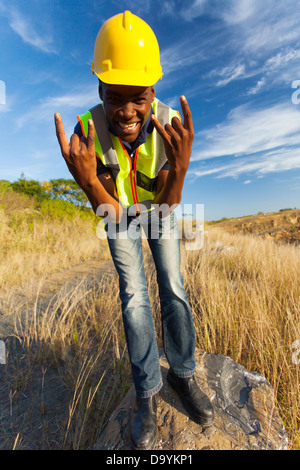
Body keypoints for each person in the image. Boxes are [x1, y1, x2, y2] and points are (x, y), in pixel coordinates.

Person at [54, 11, 214, 450]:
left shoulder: (167, 128)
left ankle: (182, 374)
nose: (127, 111)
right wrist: (88, 182)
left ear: (153, 91)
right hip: (117, 213)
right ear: (100, 90)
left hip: (159, 208)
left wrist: (179, 172)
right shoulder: (89, 132)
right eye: (115, 97)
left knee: (174, 286)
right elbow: (114, 215)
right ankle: (147, 393)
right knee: (134, 294)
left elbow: (162, 211)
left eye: (138, 98)